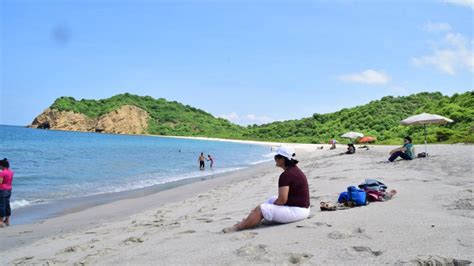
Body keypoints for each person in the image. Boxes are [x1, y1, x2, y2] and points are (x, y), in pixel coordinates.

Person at [223, 147, 310, 233]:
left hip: (298, 211)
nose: (274, 159)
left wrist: (274, 205)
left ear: (282, 159)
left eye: (276, 157)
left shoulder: (286, 175)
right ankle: (250, 220)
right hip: (302, 207)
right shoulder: (294, 170)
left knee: (261, 208)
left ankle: (238, 227)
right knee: (271, 199)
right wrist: (273, 204)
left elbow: (282, 200)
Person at [0, 158, 13, 227]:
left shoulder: (2, 173)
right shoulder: (11, 172)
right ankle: (7, 220)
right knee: (7, 204)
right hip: (9, 189)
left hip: (2, 190)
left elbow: (0, 182)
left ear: (2, 165)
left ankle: (1, 221)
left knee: (1, 205)